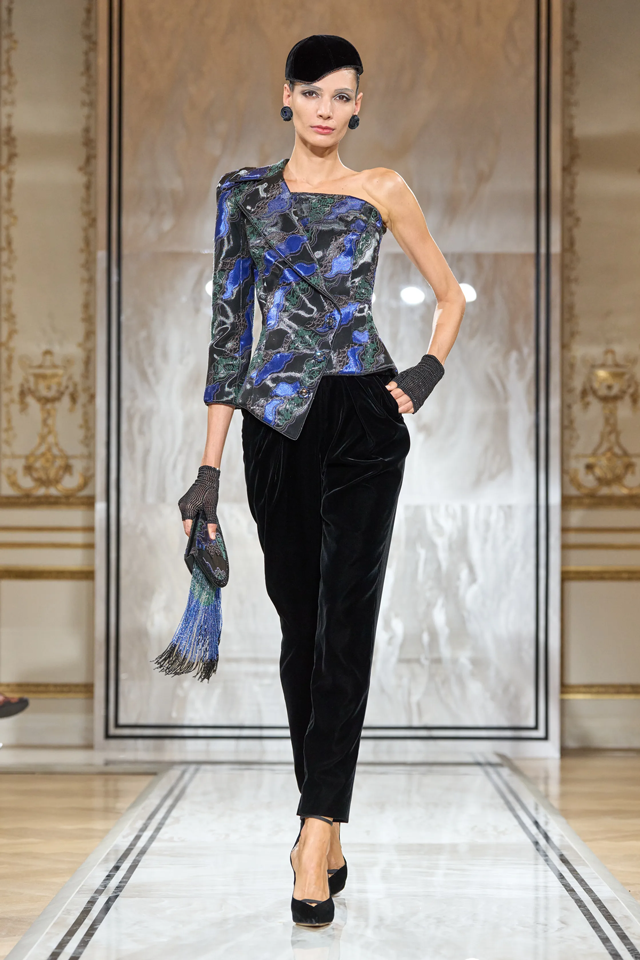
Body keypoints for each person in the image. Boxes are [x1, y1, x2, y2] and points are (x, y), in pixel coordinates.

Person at [178, 34, 465, 926]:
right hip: (274, 427)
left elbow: (450, 294)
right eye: (313, 93)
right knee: (301, 626)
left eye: (343, 96)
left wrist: (426, 371)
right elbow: (230, 337)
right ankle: (327, 821)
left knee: (347, 623)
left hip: (363, 423)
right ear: (288, 98)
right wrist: (206, 471)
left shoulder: (382, 189)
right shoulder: (244, 195)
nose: (328, 110)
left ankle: (312, 831)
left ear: (358, 105)